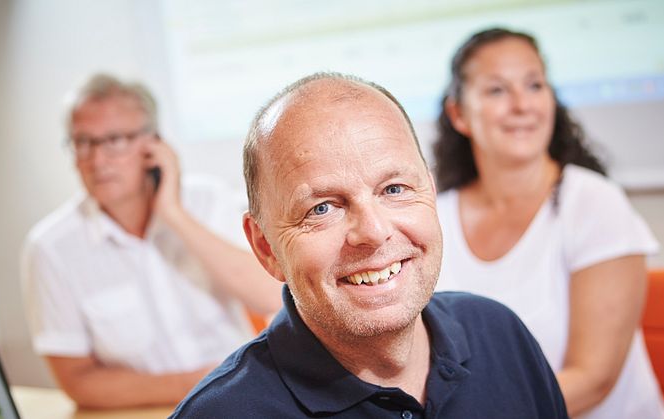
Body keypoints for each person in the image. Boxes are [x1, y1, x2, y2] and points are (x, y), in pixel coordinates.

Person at [170, 72, 568, 418]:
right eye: (322, 208)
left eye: (394, 188)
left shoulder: (500, 334)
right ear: (267, 248)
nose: (374, 231)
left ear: (429, 192)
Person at [432, 28, 664, 418]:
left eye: (535, 85)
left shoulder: (592, 201)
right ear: (458, 113)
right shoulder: (434, 215)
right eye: (497, 90)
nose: (522, 105)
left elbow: (593, 378)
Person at [21, 74, 282, 409]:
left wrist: (173, 214)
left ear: (154, 145)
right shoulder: (50, 248)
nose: (97, 160)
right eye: (83, 142)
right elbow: (78, 380)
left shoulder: (208, 199)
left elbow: (270, 293)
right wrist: (200, 384)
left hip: (240, 402)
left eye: (114, 140)